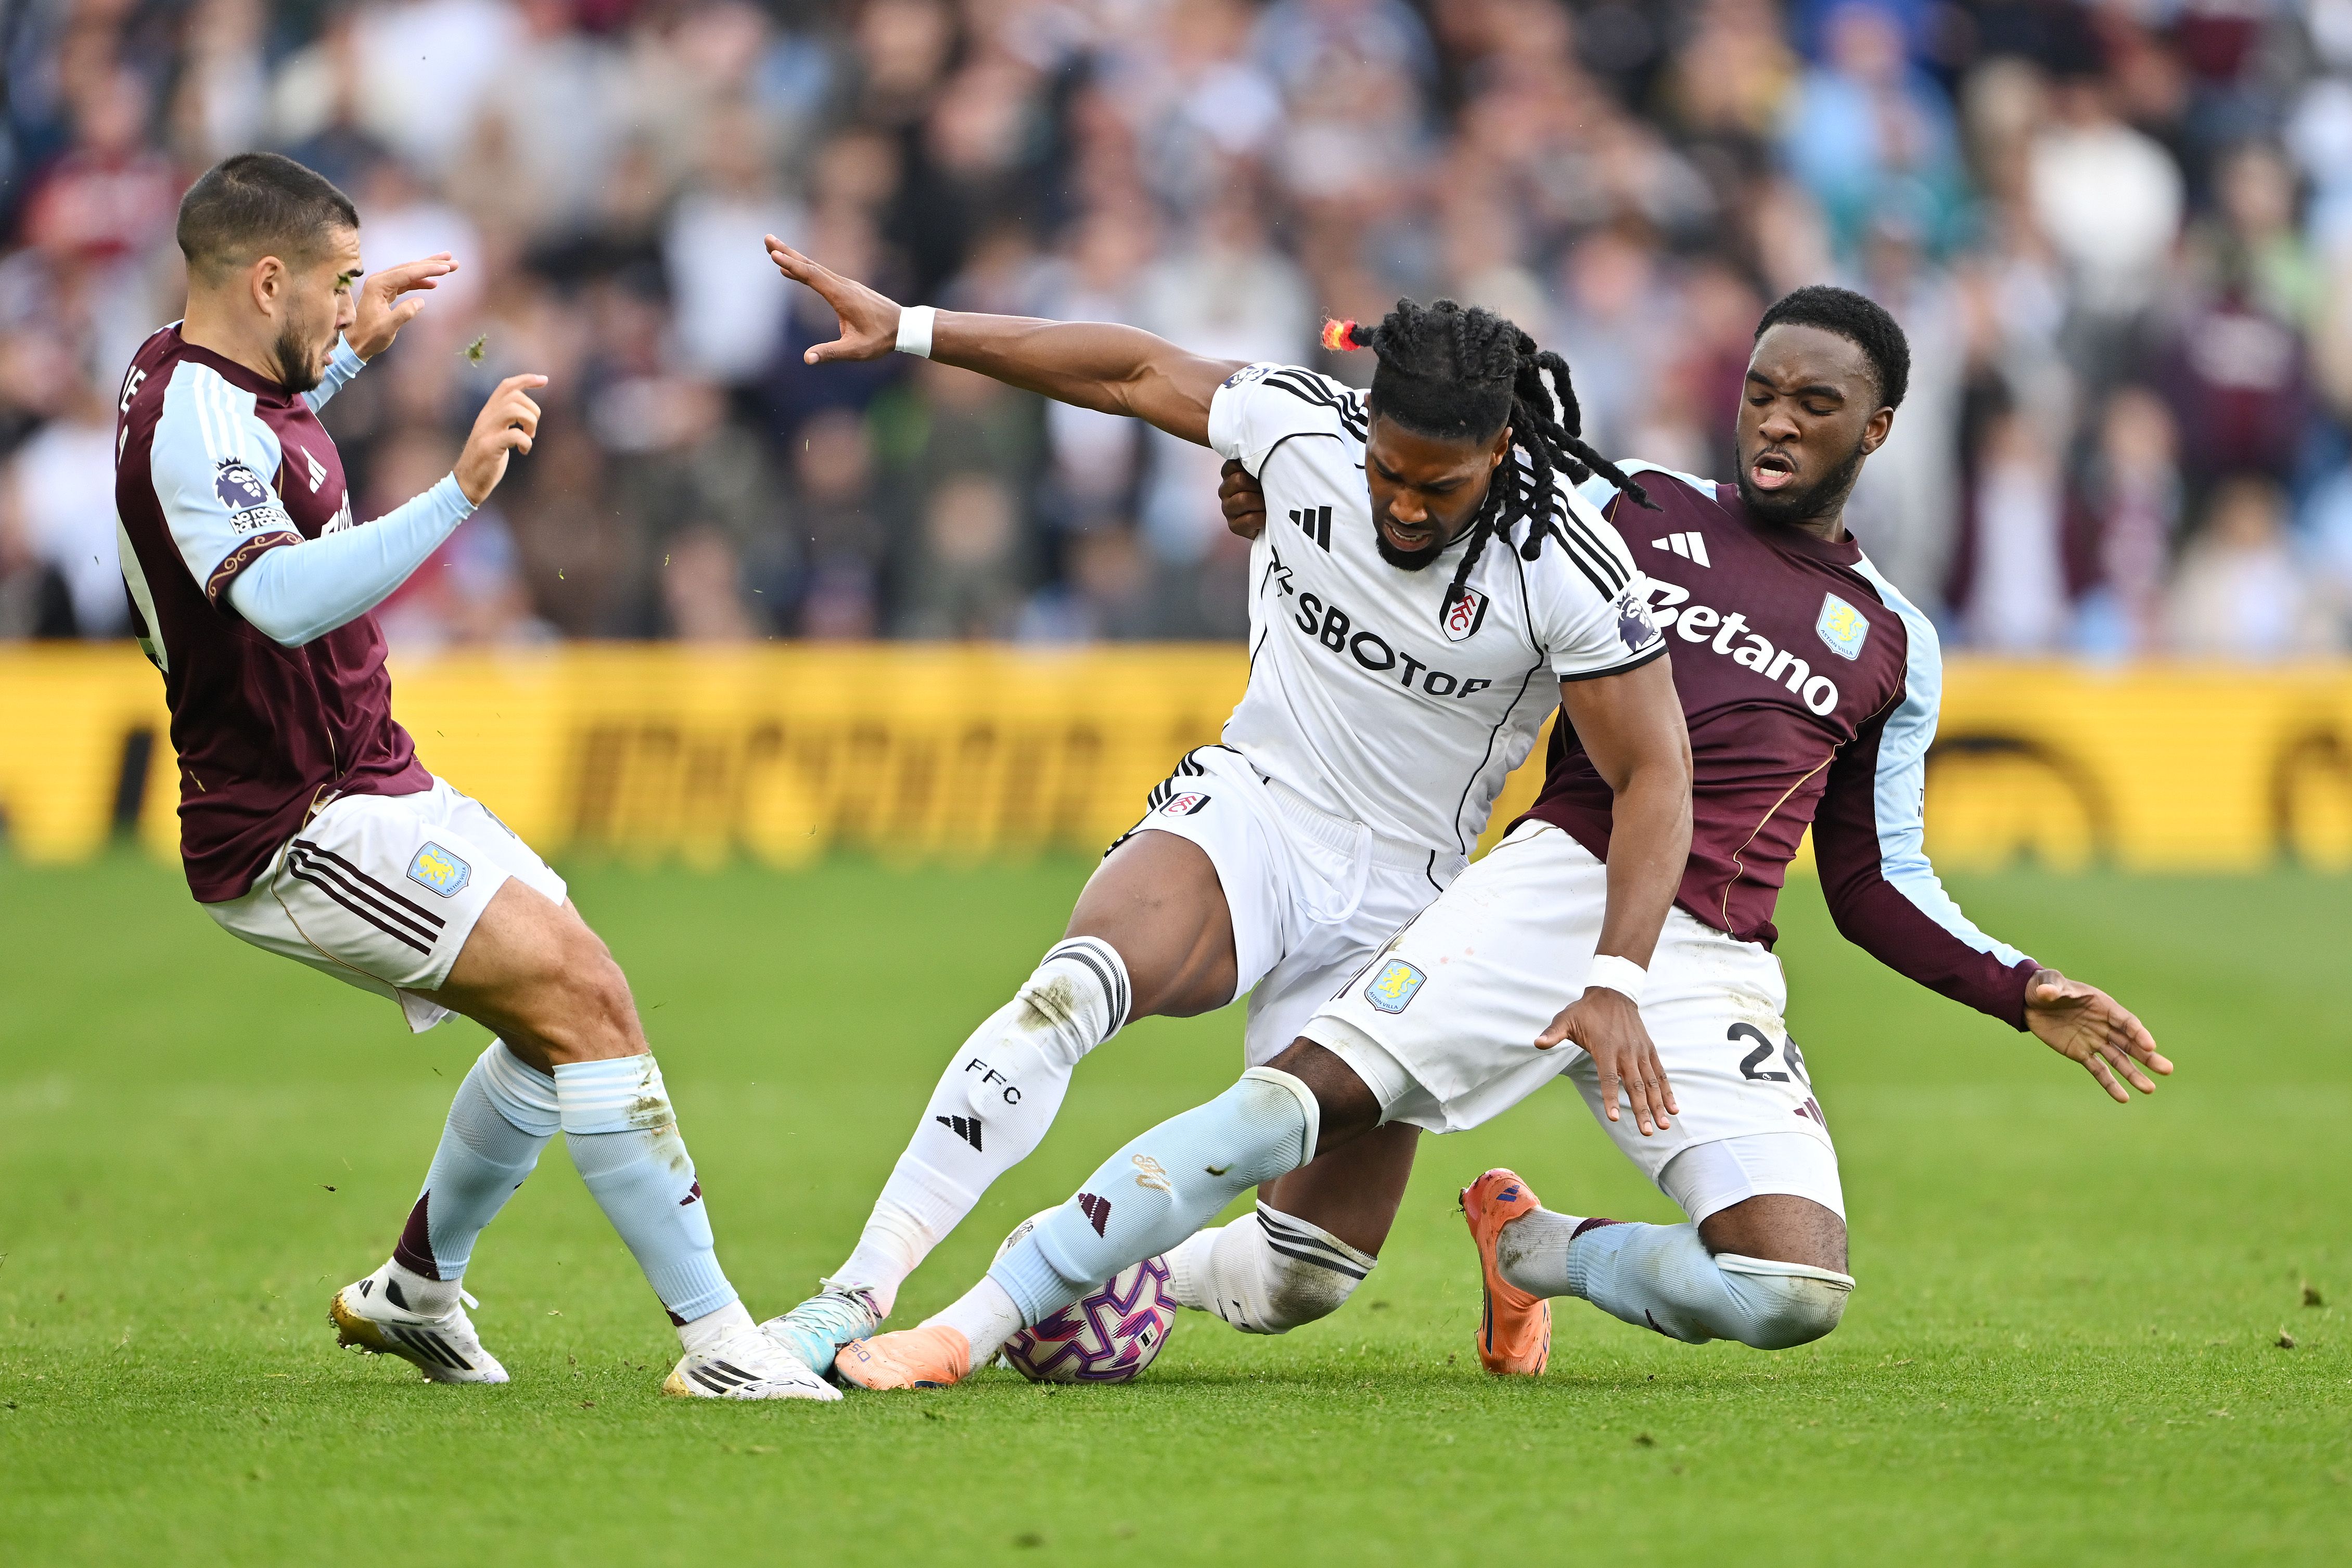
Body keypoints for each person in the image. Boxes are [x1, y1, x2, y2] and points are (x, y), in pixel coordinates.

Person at [834, 285, 2168, 1390]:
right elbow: (1420, 476)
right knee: (1283, 1117)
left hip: (1706, 963)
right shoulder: (1617, 501)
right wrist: (1268, 497)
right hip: (1554, 895)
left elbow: (1873, 877)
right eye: (1761, 389)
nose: (1775, 421)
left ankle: (1531, 1252)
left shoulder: (1891, 637)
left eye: (1814, 404)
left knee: (1790, 1288)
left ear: (1875, 428)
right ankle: (972, 1320)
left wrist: (2015, 986)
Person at [756, 238, 1693, 1377]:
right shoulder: (1298, 433)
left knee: (1308, 1276)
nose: (1400, 504)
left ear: (1499, 448)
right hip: (1257, 806)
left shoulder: (1563, 566)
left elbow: (1655, 773)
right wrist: (913, 327)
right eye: (1385, 471)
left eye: (1435, 486)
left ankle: (1129, 1263)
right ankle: (850, 1296)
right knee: (1067, 991)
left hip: (1408, 899)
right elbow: (1130, 372)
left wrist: (1615, 978)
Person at [112, 152, 828, 1401]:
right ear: (266, 278)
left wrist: (351, 359)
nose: (352, 302)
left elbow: (262, 454)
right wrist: (458, 495)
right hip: (297, 824)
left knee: (563, 1029)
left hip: (369, 771)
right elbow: (276, 599)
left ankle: (418, 1292)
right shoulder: (196, 423)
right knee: (586, 1001)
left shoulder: (199, 372)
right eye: (338, 285)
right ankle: (721, 1343)